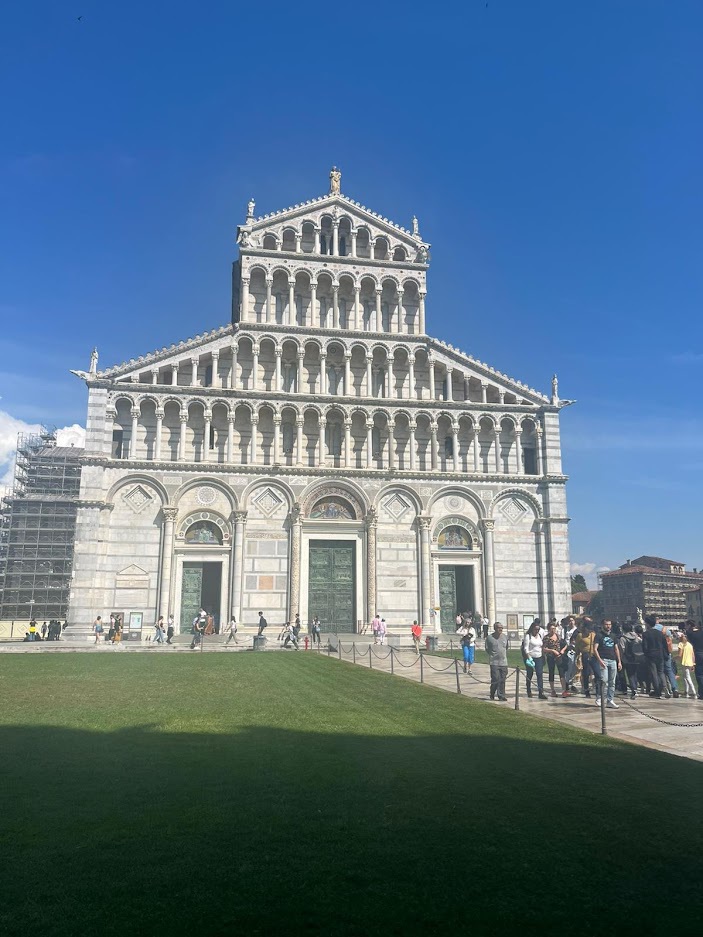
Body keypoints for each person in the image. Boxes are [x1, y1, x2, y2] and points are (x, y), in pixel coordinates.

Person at [594, 619, 622, 708]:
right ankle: (600, 697)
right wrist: (599, 660)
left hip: (612, 660)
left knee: (612, 682)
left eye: (609, 624)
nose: (608, 626)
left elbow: (616, 649)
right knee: (604, 680)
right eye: (606, 624)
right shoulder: (599, 635)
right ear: (603, 625)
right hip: (604, 659)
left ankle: (610, 700)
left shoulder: (613, 636)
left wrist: (619, 661)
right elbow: (595, 649)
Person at [642, 614, 669, 698]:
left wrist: (646, 654)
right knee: (661, 672)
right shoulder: (660, 633)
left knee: (654, 673)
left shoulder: (646, 634)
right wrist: (666, 654)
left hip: (651, 655)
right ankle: (665, 687)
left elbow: (645, 646)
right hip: (660, 654)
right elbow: (665, 645)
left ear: (648, 624)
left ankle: (657, 691)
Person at [522, 621, 547, 699]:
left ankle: (541, 692)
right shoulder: (528, 636)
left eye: (538, 629)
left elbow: (541, 646)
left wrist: (543, 655)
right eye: (535, 629)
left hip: (539, 657)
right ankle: (529, 690)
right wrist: (529, 657)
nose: (537, 631)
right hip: (530, 657)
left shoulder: (539, 636)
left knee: (539, 674)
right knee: (530, 674)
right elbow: (526, 648)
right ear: (532, 629)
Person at [543, 621, 568, 697]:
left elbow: (565, 644)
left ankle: (564, 690)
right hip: (551, 657)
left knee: (561, 672)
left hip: (559, 656)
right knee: (551, 672)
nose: (553, 630)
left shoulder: (558, 636)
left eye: (554, 628)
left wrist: (563, 650)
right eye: (551, 629)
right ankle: (552, 690)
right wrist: (552, 650)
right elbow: (544, 648)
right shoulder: (546, 638)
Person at [485, 623, 509, 701]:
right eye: (499, 628)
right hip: (494, 662)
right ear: (495, 628)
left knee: (502, 679)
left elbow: (506, 647)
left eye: (502, 628)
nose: (500, 629)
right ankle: (492, 693)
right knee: (495, 678)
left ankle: (501, 695)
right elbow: (487, 648)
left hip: (503, 662)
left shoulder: (505, 637)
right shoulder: (489, 638)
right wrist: (493, 655)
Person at [619, 623, 643, 698]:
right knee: (634, 674)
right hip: (636, 657)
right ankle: (635, 687)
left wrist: (620, 658)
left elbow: (622, 649)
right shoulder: (636, 637)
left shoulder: (623, 638)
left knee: (629, 675)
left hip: (627, 658)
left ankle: (634, 690)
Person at [685, 620, 703, 700]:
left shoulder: (690, 634)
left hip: (697, 654)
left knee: (699, 675)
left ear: (689, 625)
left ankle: (701, 693)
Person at [678, 631, 697, 699]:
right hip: (690, 662)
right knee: (685, 677)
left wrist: (674, 658)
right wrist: (693, 663)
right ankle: (686, 691)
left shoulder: (681, 644)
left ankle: (693, 692)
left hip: (684, 662)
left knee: (688, 678)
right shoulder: (690, 644)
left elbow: (680, 655)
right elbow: (693, 655)